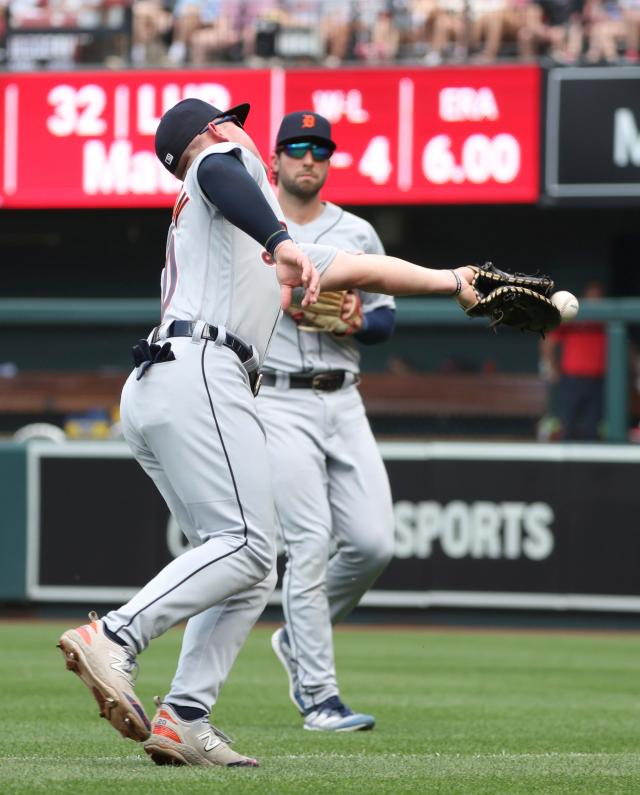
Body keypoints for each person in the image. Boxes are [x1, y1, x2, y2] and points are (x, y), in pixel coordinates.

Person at [57, 95, 479, 769]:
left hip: (168, 381)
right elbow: (220, 170)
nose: (241, 132)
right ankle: (114, 634)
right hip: (201, 368)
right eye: (234, 125)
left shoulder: (246, 225)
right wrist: (282, 242)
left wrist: (457, 280)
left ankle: (185, 715)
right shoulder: (223, 169)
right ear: (216, 132)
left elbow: (362, 271)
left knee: (248, 567)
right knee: (250, 545)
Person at [259, 110, 395, 733]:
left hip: (343, 396)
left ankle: (296, 637)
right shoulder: (257, 222)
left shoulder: (358, 232)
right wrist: (283, 301)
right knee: (309, 545)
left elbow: (386, 322)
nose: (309, 158)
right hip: (278, 398)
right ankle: (319, 695)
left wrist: (351, 319)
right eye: (297, 148)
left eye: (319, 149)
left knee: (372, 544)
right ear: (277, 157)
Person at [540, 280, 606, 440]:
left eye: (598, 297)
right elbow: (549, 341)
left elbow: (625, 345)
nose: (595, 300)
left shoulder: (606, 320)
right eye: (592, 297)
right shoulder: (573, 315)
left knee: (593, 428)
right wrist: (550, 366)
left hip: (597, 380)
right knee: (567, 425)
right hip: (572, 379)